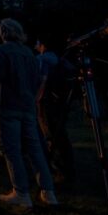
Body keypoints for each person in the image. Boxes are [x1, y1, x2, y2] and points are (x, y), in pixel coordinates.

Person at [0, 18, 57, 208]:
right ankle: (48, 192)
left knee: (11, 149)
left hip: (8, 105)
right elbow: (37, 79)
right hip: (27, 105)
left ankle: (21, 192)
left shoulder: (1, 50)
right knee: (34, 148)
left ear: (3, 33)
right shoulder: (29, 52)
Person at [35, 37, 76, 184]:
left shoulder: (42, 59)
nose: (36, 45)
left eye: (38, 42)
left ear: (43, 45)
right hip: (61, 103)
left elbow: (41, 79)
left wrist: (36, 98)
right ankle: (68, 166)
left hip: (46, 103)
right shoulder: (61, 60)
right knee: (61, 134)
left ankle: (59, 171)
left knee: (50, 135)